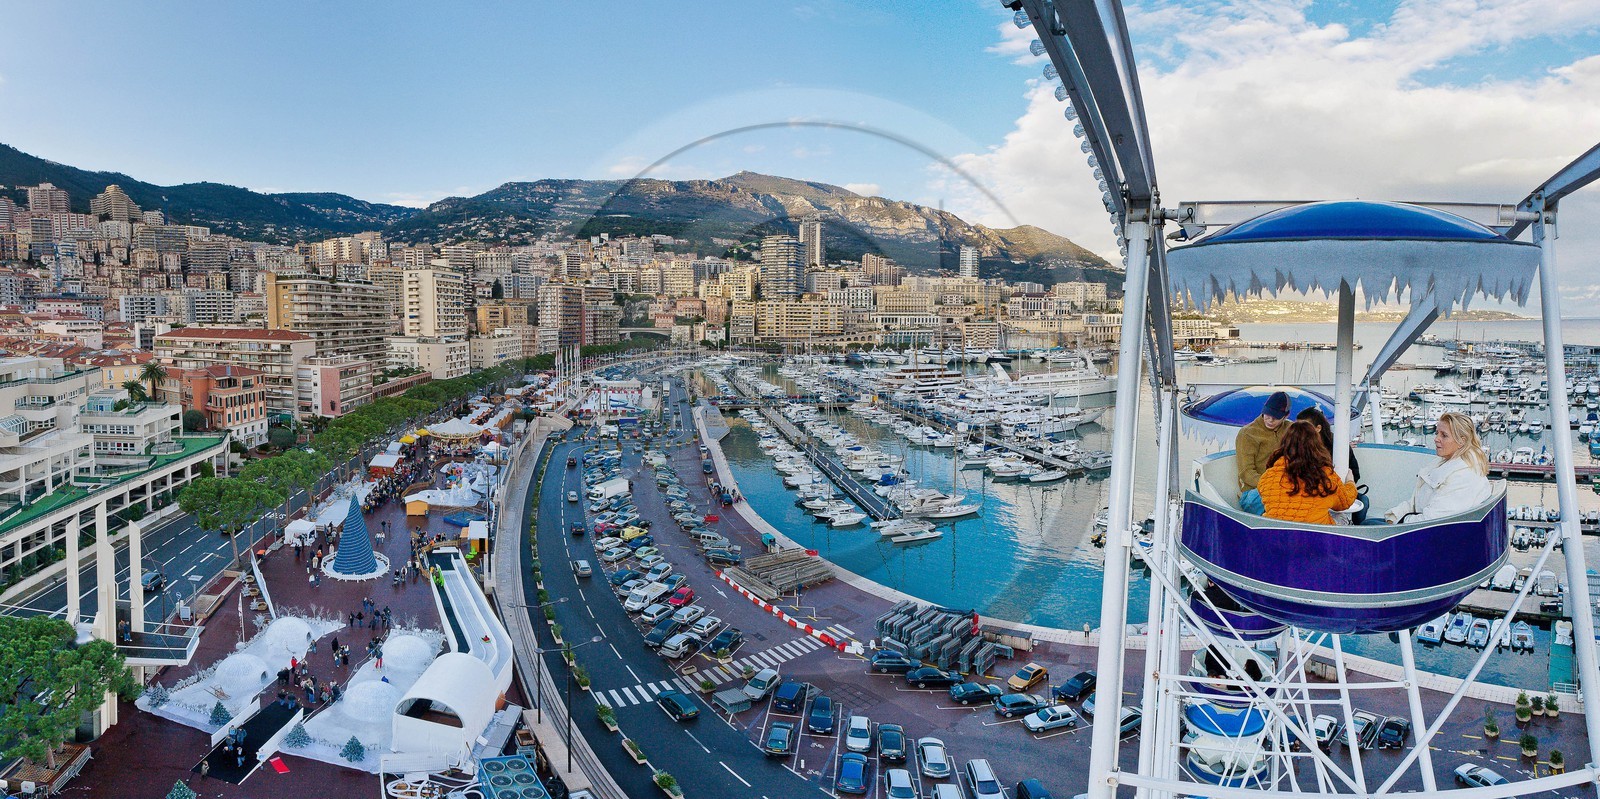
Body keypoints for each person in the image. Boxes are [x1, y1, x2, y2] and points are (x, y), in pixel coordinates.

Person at [1383, 411, 1492, 523]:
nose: (1436, 439)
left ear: (1461, 441)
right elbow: (1414, 503)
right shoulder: (1443, 463)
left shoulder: (1464, 476)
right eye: (1437, 433)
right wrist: (1393, 517)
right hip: (1412, 525)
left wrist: (1399, 522)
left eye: (1444, 435)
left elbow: (1433, 520)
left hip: (1419, 533)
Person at [1257, 421, 1357, 524]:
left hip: (1276, 536)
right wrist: (1350, 482)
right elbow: (1344, 503)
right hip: (1314, 536)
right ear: (1316, 444)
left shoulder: (1268, 476)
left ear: (1284, 444)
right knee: (1342, 517)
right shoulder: (1325, 475)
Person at [1296, 406, 1367, 522]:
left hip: (1334, 490)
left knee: (1363, 503)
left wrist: (1345, 485)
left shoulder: (1339, 445)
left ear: (1318, 428)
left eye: (1304, 427)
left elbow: (1354, 471)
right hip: (1311, 493)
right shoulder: (1298, 446)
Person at [1235, 390, 1292, 514]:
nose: (1270, 420)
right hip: (1254, 492)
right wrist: (1273, 486)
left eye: (1276, 417)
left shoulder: (1291, 429)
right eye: (1267, 414)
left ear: (1286, 416)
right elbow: (1246, 473)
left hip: (1286, 486)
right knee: (1283, 502)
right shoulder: (1248, 433)